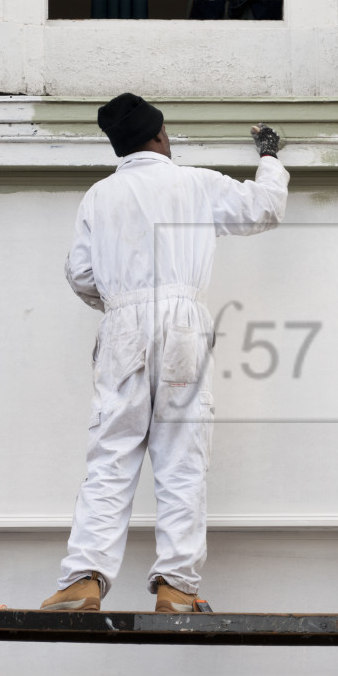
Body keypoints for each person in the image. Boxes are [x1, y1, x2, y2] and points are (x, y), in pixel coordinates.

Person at [42, 93, 288, 613]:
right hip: (182, 328)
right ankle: (176, 587)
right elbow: (265, 209)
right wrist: (269, 158)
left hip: (124, 327)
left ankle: (83, 580)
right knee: (182, 459)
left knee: (111, 455)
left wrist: (117, 302)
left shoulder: (99, 197)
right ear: (159, 137)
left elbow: (80, 274)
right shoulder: (194, 183)